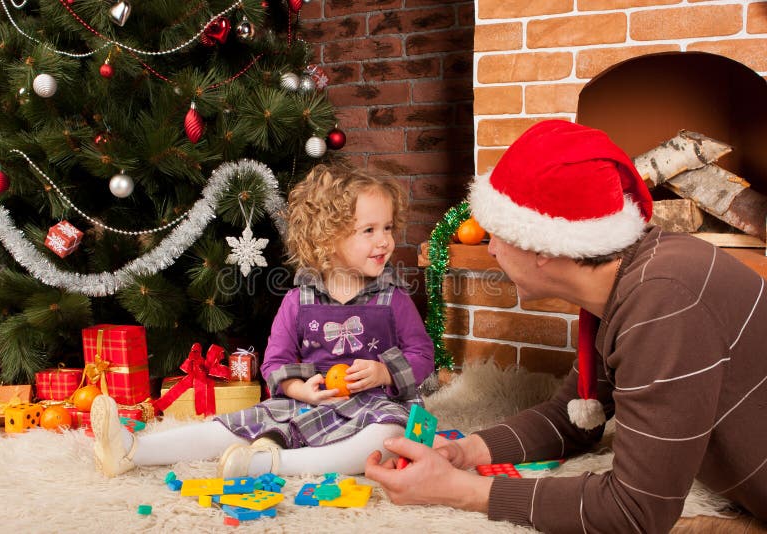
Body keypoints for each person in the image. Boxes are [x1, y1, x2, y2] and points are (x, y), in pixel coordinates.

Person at [364, 120, 767, 531]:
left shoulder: (664, 300)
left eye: (500, 235)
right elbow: (573, 417)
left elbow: (635, 513)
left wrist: (458, 492)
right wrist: (463, 454)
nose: (494, 251)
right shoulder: (628, 277)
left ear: (544, 246)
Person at [92, 162, 434, 479]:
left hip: (374, 405)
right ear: (327, 239)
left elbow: (421, 353)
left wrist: (385, 372)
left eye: (387, 227)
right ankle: (134, 450)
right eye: (369, 230)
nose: (384, 240)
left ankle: (270, 464)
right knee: (232, 424)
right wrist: (300, 389)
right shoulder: (299, 300)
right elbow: (276, 361)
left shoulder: (393, 298)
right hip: (308, 401)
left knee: (389, 438)